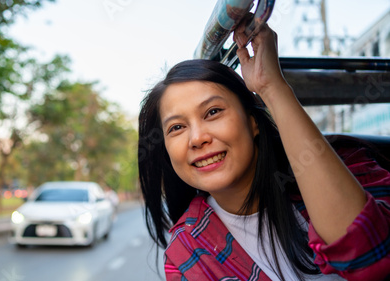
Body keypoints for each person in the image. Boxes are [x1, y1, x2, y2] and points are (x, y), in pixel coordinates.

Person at [138, 22, 390, 281]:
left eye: (213, 112)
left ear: (253, 121)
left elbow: (369, 257)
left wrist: (272, 88)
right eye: (177, 127)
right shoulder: (187, 254)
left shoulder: (347, 164)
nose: (197, 138)